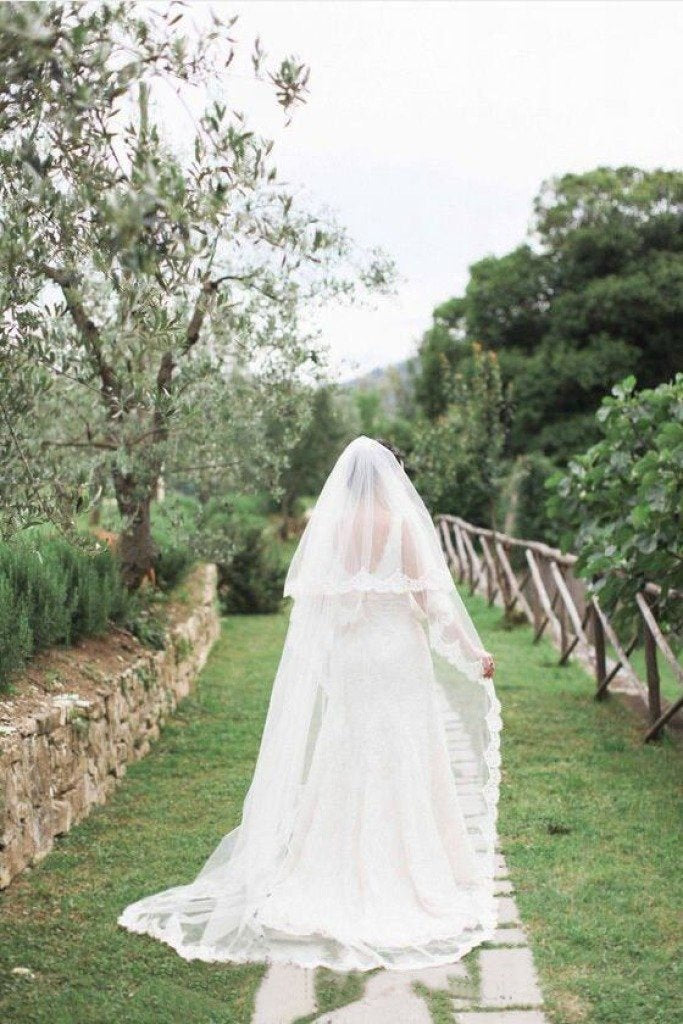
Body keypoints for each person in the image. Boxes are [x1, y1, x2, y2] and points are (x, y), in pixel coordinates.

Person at [118, 436, 501, 971]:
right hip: (396, 656)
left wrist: (336, 646)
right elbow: (433, 601)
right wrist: (472, 649)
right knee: (402, 750)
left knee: (346, 749)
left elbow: (318, 605)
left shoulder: (334, 526)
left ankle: (330, 864)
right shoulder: (401, 526)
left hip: (354, 656)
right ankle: (406, 867)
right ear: (394, 478)